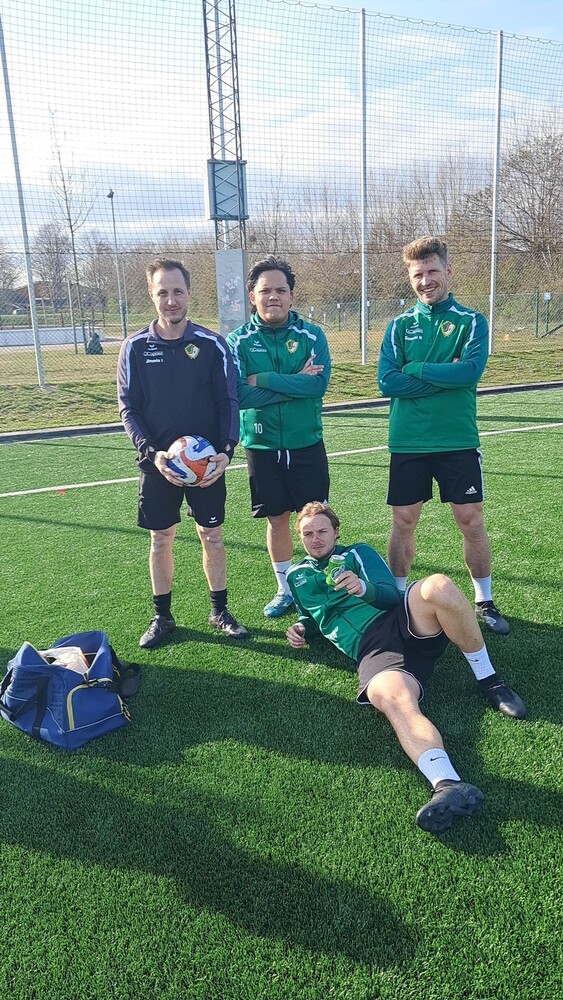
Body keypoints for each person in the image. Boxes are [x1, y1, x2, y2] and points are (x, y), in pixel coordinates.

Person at [285, 502, 526, 833]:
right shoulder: (296, 576)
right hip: (372, 650)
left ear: (336, 532)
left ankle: (490, 680)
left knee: (438, 585)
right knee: (393, 700)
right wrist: (301, 628)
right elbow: (310, 616)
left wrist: (363, 588)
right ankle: (447, 784)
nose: (315, 539)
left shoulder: (356, 553)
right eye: (308, 533)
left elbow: (390, 595)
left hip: (398, 620)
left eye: (322, 531)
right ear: (300, 538)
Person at [377, 237, 509, 636]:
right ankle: (398, 598)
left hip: (457, 441)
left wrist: (415, 368)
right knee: (403, 521)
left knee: (470, 519)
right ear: (410, 278)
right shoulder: (399, 326)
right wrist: (442, 374)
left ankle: (484, 601)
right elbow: (387, 381)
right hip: (408, 442)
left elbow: (469, 372)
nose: (425, 281)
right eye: (418, 274)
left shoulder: (472, 321)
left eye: (432, 271)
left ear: (447, 271)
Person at [117, 257, 248, 648]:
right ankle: (162, 617)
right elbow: (128, 408)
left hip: (206, 463)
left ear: (189, 293)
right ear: (151, 295)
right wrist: (152, 453)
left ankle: (219, 611)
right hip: (158, 463)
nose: (171, 300)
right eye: (163, 292)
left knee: (212, 535)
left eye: (177, 291)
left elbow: (228, 402)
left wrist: (226, 451)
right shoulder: (134, 347)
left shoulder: (211, 345)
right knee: (160, 538)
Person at [226, 255, 331, 618]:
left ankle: (320, 587)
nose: (274, 296)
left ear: (291, 295)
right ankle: (285, 589)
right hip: (262, 445)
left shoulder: (312, 335)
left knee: (315, 520)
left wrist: (265, 380)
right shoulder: (237, 341)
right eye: (265, 290)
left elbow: (317, 385)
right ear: (252, 296)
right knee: (276, 519)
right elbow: (239, 394)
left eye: (281, 290)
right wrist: (294, 383)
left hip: (306, 442)